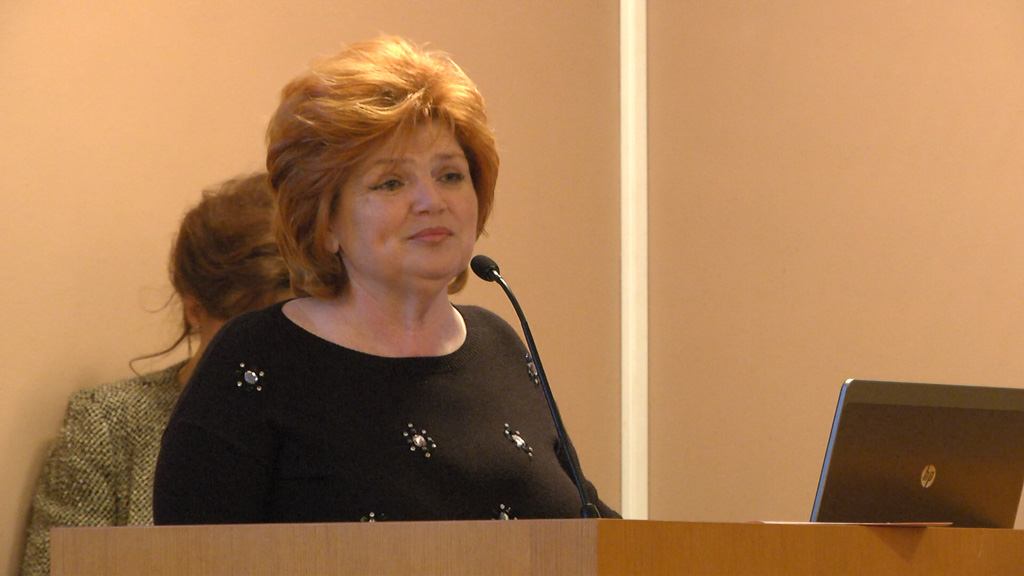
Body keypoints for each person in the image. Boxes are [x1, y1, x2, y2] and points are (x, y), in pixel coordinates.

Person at [153, 36, 618, 524]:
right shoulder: (256, 360)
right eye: (391, 182)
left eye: (450, 176)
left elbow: (592, 528)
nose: (432, 201)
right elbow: (190, 553)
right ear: (325, 223)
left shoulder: (497, 345)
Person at [20, 173, 292, 576]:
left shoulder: (342, 419)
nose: (271, 354)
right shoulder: (110, 424)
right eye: (245, 330)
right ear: (194, 309)